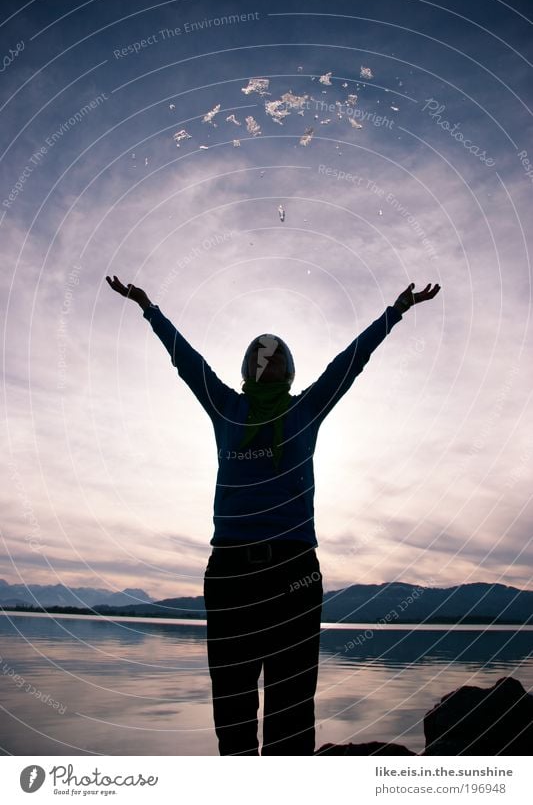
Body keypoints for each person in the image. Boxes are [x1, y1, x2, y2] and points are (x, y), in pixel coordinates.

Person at [106, 274, 441, 755]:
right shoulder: (226, 407)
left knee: (291, 716)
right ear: (247, 367)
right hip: (230, 577)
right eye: (260, 357)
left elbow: (351, 360)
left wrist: (398, 309)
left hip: (294, 575)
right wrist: (147, 306)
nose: (267, 362)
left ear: (287, 372)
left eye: (276, 357)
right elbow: (185, 359)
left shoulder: (307, 408)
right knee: (234, 715)